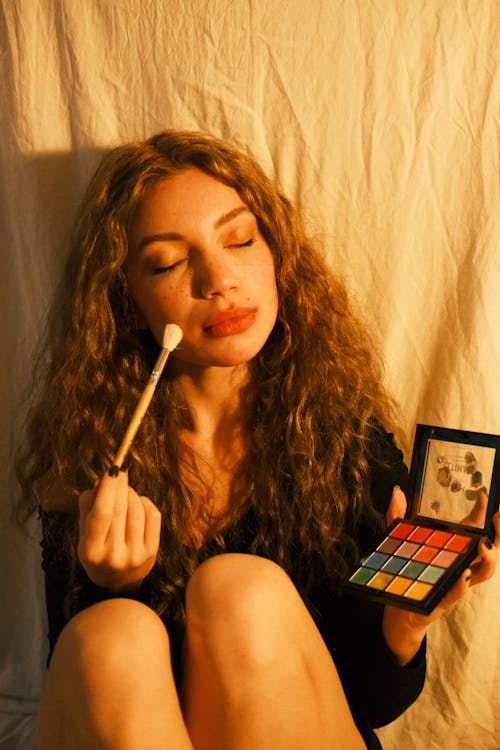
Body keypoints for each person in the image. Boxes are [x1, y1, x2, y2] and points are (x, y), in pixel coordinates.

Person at [17, 130, 499, 750]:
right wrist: (111, 586)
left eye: (240, 239)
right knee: (111, 633)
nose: (218, 278)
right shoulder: (87, 463)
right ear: (129, 305)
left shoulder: (343, 441)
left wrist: (405, 620)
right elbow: (93, 705)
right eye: (166, 262)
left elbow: (372, 706)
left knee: (238, 591)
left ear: (275, 257)